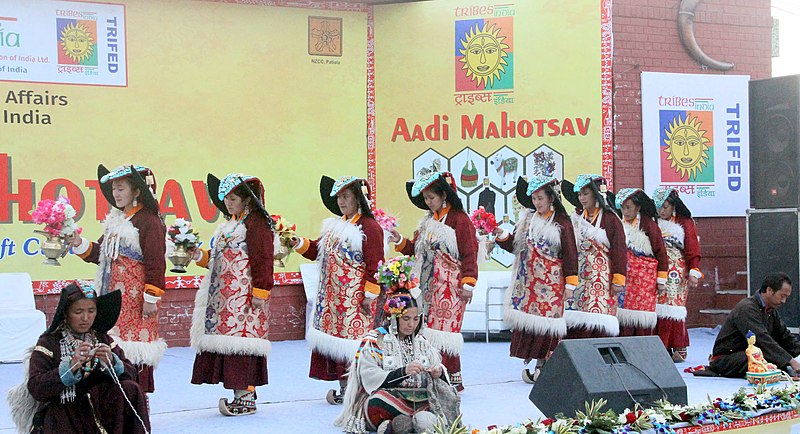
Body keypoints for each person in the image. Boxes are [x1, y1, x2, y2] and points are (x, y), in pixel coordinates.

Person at [70, 164, 167, 394]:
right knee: (112, 345)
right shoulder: (116, 220)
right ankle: (116, 399)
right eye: (114, 189)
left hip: (136, 301)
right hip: (112, 298)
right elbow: (100, 254)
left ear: (136, 191)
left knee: (135, 350)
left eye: (121, 188)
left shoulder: (149, 221)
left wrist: (151, 297)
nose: (116, 194)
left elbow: (156, 262)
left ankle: (137, 399)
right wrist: (77, 243)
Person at [7, 282, 150, 434]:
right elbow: (36, 387)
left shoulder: (102, 338)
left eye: (91, 311)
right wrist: (70, 367)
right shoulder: (49, 342)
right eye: (78, 312)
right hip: (66, 411)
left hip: (103, 409)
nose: (85, 318)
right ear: (65, 313)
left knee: (130, 388)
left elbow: (132, 374)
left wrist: (112, 363)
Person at [291, 176, 384, 404]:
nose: (341, 201)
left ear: (358, 198)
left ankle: (360, 388)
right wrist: (298, 243)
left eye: (346, 196)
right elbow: (316, 251)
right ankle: (344, 387)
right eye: (339, 197)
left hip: (355, 298)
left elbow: (376, 264)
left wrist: (369, 295)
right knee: (337, 344)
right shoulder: (334, 225)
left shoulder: (370, 227)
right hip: (332, 298)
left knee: (354, 344)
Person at [188, 173, 274, 416]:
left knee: (243, 346)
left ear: (247, 199)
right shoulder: (228, 225)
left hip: (246, 298)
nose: (228, 202)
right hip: (224, 299)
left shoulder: (257, 224)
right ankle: (241, 393)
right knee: (230, 345)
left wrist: (260, 292)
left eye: (233, 198)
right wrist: (197, 254)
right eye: (226, 198)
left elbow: (263, 259)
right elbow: (216, 260)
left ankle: (246, 397)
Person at [388, 171, 478, 391]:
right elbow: (415, 251)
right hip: (428, 286)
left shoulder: (460, 220)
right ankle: (432, 377)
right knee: (427, 330)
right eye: (426, 198)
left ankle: (451, 380)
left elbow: (469, 253)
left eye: (432, 197)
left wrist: (469, 283)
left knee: (446, 334)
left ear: (444, 196)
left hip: (452, 286)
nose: (428, 202)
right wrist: (399, 240)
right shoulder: (427, 222)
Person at [494, 176, 578, 384]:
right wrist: (501, 235)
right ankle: (538, 363)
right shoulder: (527, 220)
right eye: (533, 199)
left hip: (551, 284)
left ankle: (544, 365)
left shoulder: (562, 223)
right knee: (531, 326)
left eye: (540, 198)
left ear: (551, 198)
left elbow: (570, 255)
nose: (536, 203)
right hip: (529, 284)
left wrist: (570, 285)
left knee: (548, 327)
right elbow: (515, 245)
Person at [334, 290, 454, 434]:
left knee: (445, 397)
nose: (411, 324)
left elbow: (437, 375)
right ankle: (411, 421)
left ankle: (399, 423)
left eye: (416, 319)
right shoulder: (375, 341)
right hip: (390, 397)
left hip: (419, 397)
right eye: (406, 318)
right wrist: (404, 372)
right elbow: (369, 379)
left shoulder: (421, 342)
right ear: (394, 318)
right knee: (378, 401)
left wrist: (438, 372)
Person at [561, 174, 626, 339]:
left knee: (598, 317)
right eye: (579, 194)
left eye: (585, 194)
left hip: (601, 277)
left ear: (596, 194)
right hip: (580, 275)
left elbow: (619, 250)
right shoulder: (575, 219)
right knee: (576, 316)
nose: (581, 198)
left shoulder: (611, 219)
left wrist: (618, 279)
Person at [709, 272, 800, 378]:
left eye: (786, 297)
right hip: (728, 358)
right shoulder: (747, 308)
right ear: (769, 290)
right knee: (765, 357)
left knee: (771, 356)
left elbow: (785, 337)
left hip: (752, 353)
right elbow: (762, 340)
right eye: (782, 296)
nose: (784, 301)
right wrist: (791, 361)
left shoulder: (771, 310)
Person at [652, 187, 703, 362]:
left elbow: (692, 249)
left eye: (665, 207)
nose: (662, 211)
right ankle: (662, 347)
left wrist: (694, 271)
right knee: (656, 309)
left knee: (674, 310)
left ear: (673, 206)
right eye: (659, 207)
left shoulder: (685, 222)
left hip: (677, 273)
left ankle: (679, 346)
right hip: (658, 271)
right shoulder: (653, 221)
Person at [614, 188, 668, 337]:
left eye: (629, 207)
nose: (625, 211)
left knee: (641, 319)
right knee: (621, 316)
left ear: (638, 207)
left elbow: (661, 254)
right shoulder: (618, 225)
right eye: (623, 207)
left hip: (644, 281)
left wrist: (661, 280)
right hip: (625, 279)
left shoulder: (649, 226)